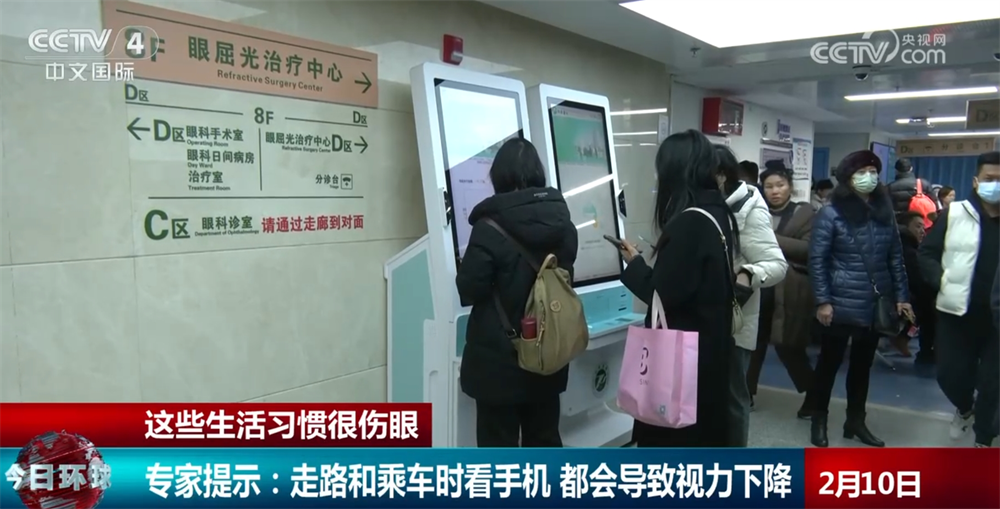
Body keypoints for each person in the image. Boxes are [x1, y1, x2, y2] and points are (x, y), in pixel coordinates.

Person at [612, 129, 737, 447]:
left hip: (684, 364)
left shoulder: (689, 223)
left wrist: (635, 264)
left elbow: (662, 294)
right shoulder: (716, 212)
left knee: (674, 445)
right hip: (709, 350)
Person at [455, 137, 579, 448]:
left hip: (498, 362)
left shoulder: (488, 228)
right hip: (547, 353)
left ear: (499, 176)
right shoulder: (563, 224)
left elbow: (469, 288)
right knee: (544, 440)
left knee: (498, 451)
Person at [805, 150, 911, 448]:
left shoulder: (884, 211)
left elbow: (896, 258)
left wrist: (902, 297)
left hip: (875, 303)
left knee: (862, 367)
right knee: (828, 364)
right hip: (840, 303)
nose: (869, 177)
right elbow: (818, 260)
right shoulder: (831, 213)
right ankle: (819, 419)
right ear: (848, 179)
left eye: (872, 171)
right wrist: (823, 300)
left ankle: (855, 421)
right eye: (861, 172)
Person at [918, 151, 1000, 448]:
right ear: (976, 181)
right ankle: (965, 408)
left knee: (992, 383)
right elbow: (927, 254)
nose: (996, 185)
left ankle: (984, 439)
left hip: (997, 320)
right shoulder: (955, 214)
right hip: (957, 313)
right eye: (990, 179)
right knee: (949, 374)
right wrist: (943, 280)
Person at [718, 145, 788, 447]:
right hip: (705, 319)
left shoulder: (748, 205)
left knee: (734, 398)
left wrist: (747, 274)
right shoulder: (700, 204)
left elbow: (776, 265)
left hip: (737, 321)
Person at [746, 164, 817, 417]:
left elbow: (809, 249)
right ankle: (746, 394)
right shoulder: (754, 212)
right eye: (769, 186)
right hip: (759, 287)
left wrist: (769, 240)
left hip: (789, 290)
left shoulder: (804, 214)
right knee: (753, 343)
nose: (775, 191)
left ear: (790, 187)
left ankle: (814, 395)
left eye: (780, 185)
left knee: (789, 347)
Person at [897, 211, 937, 365]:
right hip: (903, 298)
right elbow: (917, 282)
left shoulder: (909, 248)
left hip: (905, 294)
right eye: (917, 226)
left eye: (923, 227)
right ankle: (925, 353)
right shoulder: (908, 251)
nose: (922, 231)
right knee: (930, 308)